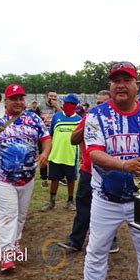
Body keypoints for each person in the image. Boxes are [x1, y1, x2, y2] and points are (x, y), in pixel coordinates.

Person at [83, 61, 140, 280]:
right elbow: (94, 153)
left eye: (126, 80)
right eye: (115, 81)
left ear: (136, 84)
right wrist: (124, 165)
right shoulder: (96, 115)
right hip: (105, 198)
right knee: (97, 250)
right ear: (110, 85)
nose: (121, 85)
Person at [0, 84, 51, 272]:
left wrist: (45, 153)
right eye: (14, 98)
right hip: (2, 175)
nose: (18, 102)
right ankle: (6, 255)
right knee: (8, 213)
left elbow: (46, 138)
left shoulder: (33, 118)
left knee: (21, 214)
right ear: (6, 101)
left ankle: (16, 242)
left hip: (27, 175)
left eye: (21, 98)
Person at [58, 90, 119, 253]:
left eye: (104, 103)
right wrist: (88, 124)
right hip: (88, 169)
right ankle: (75, 241)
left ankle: (111, 240)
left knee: (110, 207)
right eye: (98, 103)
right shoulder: (89, 118)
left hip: (109, 171)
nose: (101, 106)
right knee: (83, 206)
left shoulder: (117, 120)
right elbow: (73, 140)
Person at [41, 94, 82, 212]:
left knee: (71, 180)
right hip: (55, 155)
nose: (67, 106)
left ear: (75, 106)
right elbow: (51, 135)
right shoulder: (57, 117)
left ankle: (70, 201)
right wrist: (47, 152)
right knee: (54, 179)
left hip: (70, 155)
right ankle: (52, 201)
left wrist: (82, 155)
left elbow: (81, 139)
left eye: (71, 104)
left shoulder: (79, 120)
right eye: (66, 103)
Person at [39, 90, 61, 185]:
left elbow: (65, 117)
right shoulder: (40, 107)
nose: (52, 98)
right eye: (51, 96)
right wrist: (41, 123)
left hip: (56, 135)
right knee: (43, 157)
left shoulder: (58, 107)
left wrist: (57, 107)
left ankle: (56, 177)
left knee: (56, 157)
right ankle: (44, 179)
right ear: (46, 97)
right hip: (43, 135)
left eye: (55, 96)